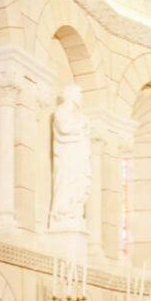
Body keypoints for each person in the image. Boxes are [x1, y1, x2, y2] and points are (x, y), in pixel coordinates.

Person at [48, 83, 91, 231]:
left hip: (78, 153)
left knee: (79, 184)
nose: (81, 97)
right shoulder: (61, 111)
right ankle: (63, 213)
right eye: (79, 94)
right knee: (66, 182)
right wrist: (81, 127)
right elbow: (64, 129)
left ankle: (74, 212)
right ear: (71, 94)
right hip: (68, 153)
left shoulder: (79, 116)